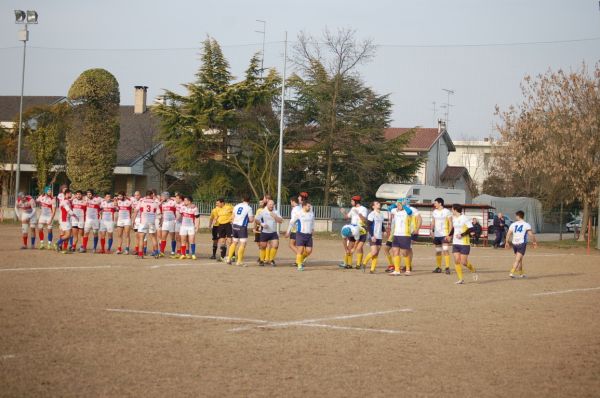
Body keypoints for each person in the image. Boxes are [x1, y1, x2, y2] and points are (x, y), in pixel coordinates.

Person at [448, 204, 478, 284]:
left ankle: (473, 269)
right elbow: (454, 228)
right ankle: (461, 279)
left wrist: (462, 235)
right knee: (457, 261)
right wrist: (449, 235)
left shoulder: (464, 218)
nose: (451, 211)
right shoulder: (453, 218)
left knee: (464, 262)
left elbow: (471, 229)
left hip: (464, 243)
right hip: (455, 243)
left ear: (455, 209)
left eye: (452, 209)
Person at [388, 198, 419, 276]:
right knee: (395, 252)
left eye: (399, 204)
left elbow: (410, 212)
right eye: (397, 204)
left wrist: (403, 205)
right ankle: (397, 270)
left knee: (405, 253)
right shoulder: (395, 211)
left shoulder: (407, 211)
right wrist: (396, 204)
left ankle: (408, 269)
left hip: (405, 235)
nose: (398, 205)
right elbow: (389, 208)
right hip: (396, 234)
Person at [505, 210, 538, 278]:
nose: (515, 217)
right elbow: (531, 234)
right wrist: (534, 242)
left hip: (514, 244)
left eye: (516, 215)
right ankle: (511, 272)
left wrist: (507, 242)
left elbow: (508, 234)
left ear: (518, 216)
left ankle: (521, 273)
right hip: (521, 244)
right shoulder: (526, 224)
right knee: (518, 259)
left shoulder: (513, 224)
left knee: (520, 259)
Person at [339, 195, 368, 269]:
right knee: (349, 247)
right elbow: (347, 217)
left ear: (356, 202)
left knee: (358, 248)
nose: (351, 202)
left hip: (361, 230)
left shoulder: (363, 209)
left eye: (352, 201)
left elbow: (364, 220)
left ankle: (359, 264)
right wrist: (344, 212)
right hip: (352, 229)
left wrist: (358, 213)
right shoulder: (352, 208)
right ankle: (349, 264)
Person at [286, 201, 315, 271]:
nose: (309, 207)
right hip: (300, 234)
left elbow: (313, 222)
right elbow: (291, 222)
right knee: (300, 250)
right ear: (304, 206)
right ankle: (299, 265)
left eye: (310, 206)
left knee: (309, 250)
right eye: (308, 206)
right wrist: (288, 231)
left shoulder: (311, 213)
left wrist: (313, 229)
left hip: (309, 235)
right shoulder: (299, 213)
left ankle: (300, 259)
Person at [226, 195, 255, 266]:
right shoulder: (249, 208)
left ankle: (229, 259)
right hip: (242, 227)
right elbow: (251, 220)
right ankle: (239, 261)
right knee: (243, 244)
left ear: (242, 199)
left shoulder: (237, 206)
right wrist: (251, 218)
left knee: (234, 242)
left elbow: (232, 216)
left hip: (234, 225)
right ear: (249, 201)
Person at [133, 190, 161, 259]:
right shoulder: (155, 202)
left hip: (143, 222)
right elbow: (159, 214)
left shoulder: (141, 201)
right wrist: (160, 221)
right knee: (154, 238)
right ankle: (156, 254)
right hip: (152, 222)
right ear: (151, 195)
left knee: (141, 238)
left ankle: (140, 254)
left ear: (146, 195)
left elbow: (136, 211)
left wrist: (133, 220)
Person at [257, 199, 283, 266]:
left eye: (272, 204)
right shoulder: (263, 211)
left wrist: (275, 217)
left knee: (276, 245)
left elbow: (280, 221)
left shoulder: (276, 212)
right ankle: (262, 260)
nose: (271, 206)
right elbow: (256, 220)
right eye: (270, 204)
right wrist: (262, 224)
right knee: (263, 246)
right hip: (264, 232)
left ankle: (271, 260)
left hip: (273, 232)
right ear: (267, 205)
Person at [431, 197, 452, 274]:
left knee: (445, 250)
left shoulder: (447, 211)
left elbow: (450, 223)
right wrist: (431, 231)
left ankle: (447, 267)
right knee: (438, 251)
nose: (434, 204)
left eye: (435, 203)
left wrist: (449, 234)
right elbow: (433, 222)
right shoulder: (434, 212)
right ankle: (439, 267)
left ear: (440, 203)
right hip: (437, 235)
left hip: (444, 234)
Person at [363, 201, 385, 273]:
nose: (379, 204)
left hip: (379, 236)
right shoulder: (371, 214)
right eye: (377, 203)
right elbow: (368, 226)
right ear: (373, 207)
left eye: (379, 203)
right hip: (373, 236)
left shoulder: (381, 214)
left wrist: (384, 230)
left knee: (376, 253)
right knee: (374, 251)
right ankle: (364, 262)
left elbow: (381, 225)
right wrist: (372, 235)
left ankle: (372, 269)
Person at [288, 192, 308, 266]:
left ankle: (300, 258)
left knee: (291, 244)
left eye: (299, 197)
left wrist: (288, 230)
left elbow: (293, 220)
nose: (298, 198)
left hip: (296, 229)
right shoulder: (302, 206)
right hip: (301, 228)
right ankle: (299, 259)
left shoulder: (298, 208)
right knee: (297, 245)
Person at [55, 189, 77, 254]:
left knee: (68, 235)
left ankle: (64, 248)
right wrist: (74, 215)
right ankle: (57, 243)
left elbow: (70, 201)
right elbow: (68, 210)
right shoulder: (65, 202)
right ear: (67, 194)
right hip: (64, 220)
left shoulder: (67, 201)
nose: (71, 195)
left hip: (67, 220)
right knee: (67, 235)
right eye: (70, 193)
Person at [158, 192, 177, 257]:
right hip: (165, 222)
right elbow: (157, 205)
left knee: (172, 238)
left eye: (162, 196)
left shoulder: (172, 202)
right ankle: (162, 252)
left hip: (172, 221)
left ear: (166, 196)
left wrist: (172, 198)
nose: (161, 198)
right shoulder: (162, 203)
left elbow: (178, 202)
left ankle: (173, 251)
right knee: (163, 237)